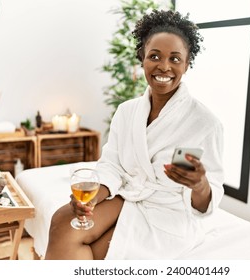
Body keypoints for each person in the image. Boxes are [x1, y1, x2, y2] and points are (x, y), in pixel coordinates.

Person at [45, 9, 224, 260]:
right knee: (64, 219)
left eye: (175, 59)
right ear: (142, 59)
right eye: (155, 56)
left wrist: (200, 185)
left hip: (167, 211)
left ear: (187, 63)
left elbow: (205, 201)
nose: (164, 66)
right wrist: (95, 196)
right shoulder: (127, 111)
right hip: (130, 195)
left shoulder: (203, 123)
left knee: (100, 252)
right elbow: (112, 165)